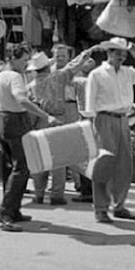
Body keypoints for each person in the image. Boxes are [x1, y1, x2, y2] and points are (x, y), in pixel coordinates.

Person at [85, 37, 135, 224]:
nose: (121, 57)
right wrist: (91, 127)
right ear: (109, 53)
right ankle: (101, 208)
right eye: (118, 53)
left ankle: (119, 205)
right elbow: (90, 103)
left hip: (123, 119)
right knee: (104, 164)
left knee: (124, 165)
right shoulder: (97, 74)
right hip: (104, 119)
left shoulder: (128, 72)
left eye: (124, 54)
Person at [0, 45, 55, 231]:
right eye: (23, 60)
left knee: (10, 168)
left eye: (27, 60)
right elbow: (21, 99)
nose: (26, 64)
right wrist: (44, 115)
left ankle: (13, 209)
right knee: (22, 167)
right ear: (13, 59)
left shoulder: (1, 75)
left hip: (2, 119)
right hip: (15, 121)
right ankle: (5, 211)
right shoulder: (15, 77)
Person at [27, 48, 95, 206]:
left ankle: (39, 194)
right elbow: (73, 68)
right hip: (58, 119)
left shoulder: (31, 86)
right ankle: (57, 195)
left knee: (40, 158)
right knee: (58, 160)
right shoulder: (57, 77)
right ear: (47, 66)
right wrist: (84, 56)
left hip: (39, 120)